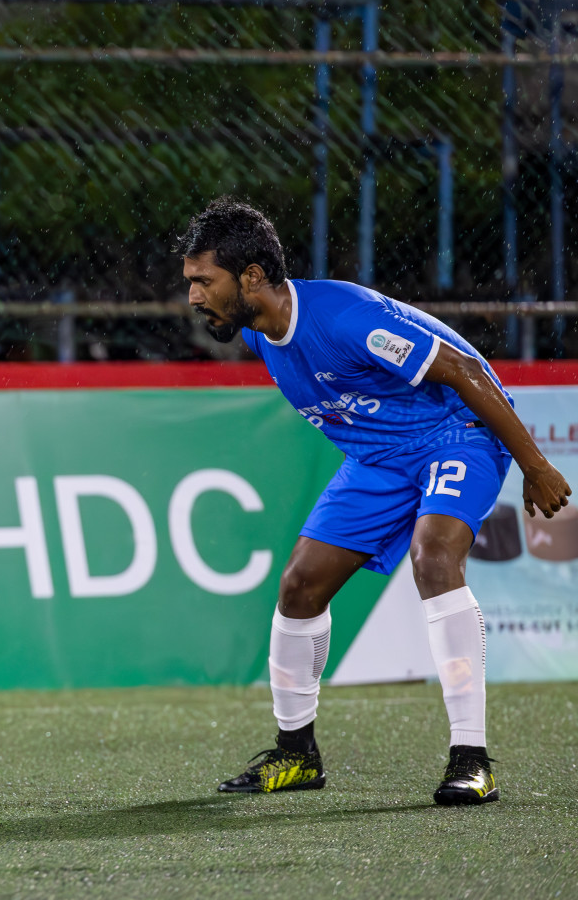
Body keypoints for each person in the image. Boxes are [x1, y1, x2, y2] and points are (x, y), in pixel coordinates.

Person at [177, 199, 571, 805]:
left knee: (433, 557)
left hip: (455, 435)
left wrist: (535, 463)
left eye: (204, 281)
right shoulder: (261, 336)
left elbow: (466, 371)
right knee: (299, 586)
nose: (194, 296)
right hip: (377, 459)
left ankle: (472, 760)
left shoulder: (344, 319)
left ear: (251, 276)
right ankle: (296, 755)